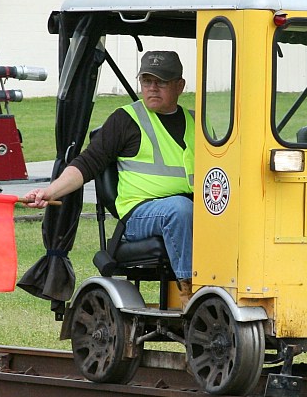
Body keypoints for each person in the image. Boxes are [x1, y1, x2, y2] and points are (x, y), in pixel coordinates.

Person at [23, 50, 195, 305]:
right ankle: (191, 294)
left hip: (193, 209)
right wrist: (50, 192)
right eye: (147, 81)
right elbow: (85, 164)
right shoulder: (126, 120)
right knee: (180, 209)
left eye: (162, 82)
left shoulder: (197, 121)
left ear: (180, 85)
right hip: (140, 215)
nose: (153, 88)